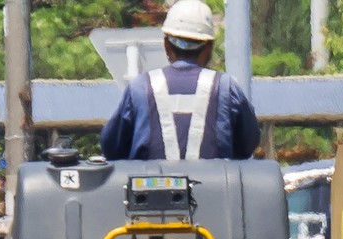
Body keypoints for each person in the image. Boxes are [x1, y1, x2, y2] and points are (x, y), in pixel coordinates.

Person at [100, 0, 260, 162]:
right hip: (217, 186)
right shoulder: (226, 87)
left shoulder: (140, 87)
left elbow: (111, 148)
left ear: (166, 45)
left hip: (149, 185)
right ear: (209, 47)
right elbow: (248, 144)